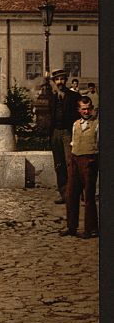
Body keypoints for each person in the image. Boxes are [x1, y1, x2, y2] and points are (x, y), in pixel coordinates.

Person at [60, 96, 98, 239]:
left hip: (89, 161)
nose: (86, 111)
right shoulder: (75, 124)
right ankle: (71, 227)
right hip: (75, 161)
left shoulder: (97, 124)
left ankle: (91, 229)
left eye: (88, 108)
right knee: (71, 195)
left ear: (92, 109)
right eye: (83, 108)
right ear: (79, 110)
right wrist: (71, 161)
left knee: (88, 196)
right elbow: (73, 143)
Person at [48, 69, 83, 204]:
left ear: (66, 80)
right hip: (55, 133)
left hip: (68, 133)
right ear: (54, 82)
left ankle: (76, 193)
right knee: (59, 164)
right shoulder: (52, 96)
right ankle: (64, 194)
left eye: (62, 79)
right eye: (57, 79)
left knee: (71, 164)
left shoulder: (74, 96)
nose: (60, 82)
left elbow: (79, 116)